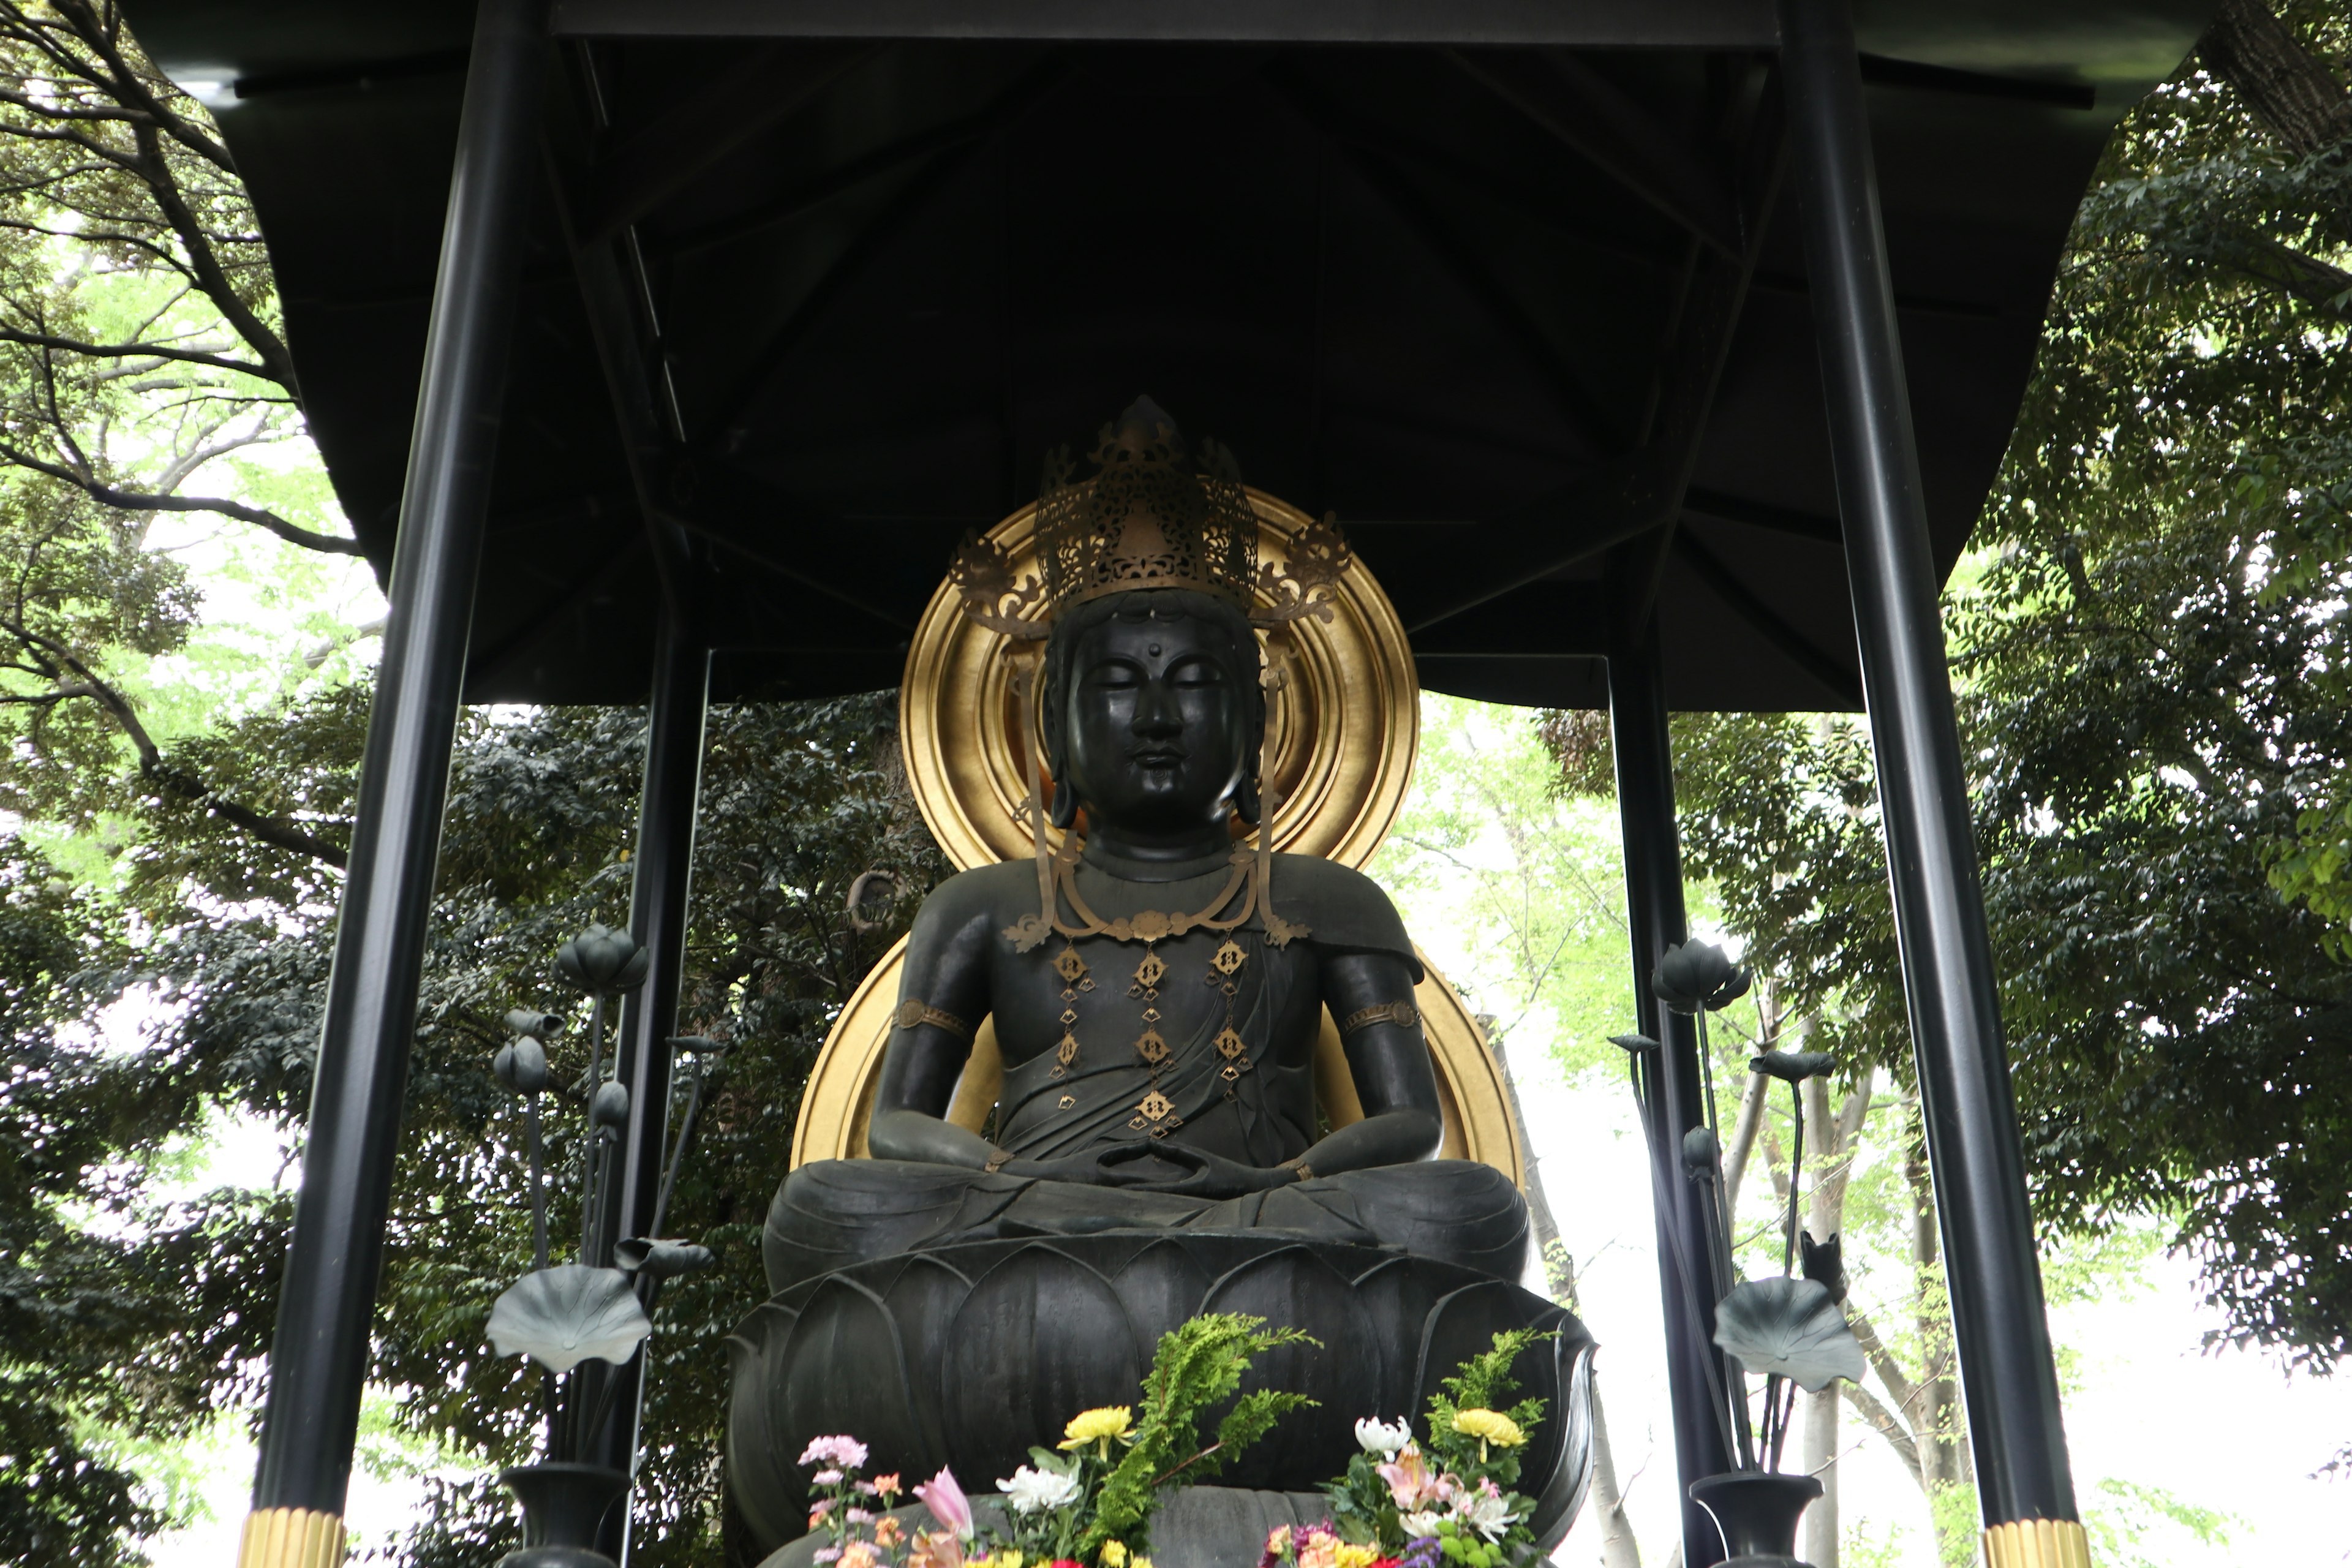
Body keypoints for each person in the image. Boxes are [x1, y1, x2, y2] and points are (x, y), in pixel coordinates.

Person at [763, 401, 1528, 1293]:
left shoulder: (1330, 900)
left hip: (1262, 1213)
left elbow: (1410, 1123)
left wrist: (1283, 1180)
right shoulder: (978, 908)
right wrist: (1022, 1180)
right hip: (1035, 1212)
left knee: (1471, 1209)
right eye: (1121, 684)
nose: (1159, 719)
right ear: (1055, 721)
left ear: (1255, 722)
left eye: (1196, 684)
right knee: (822, 1208)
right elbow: (897, 1123)